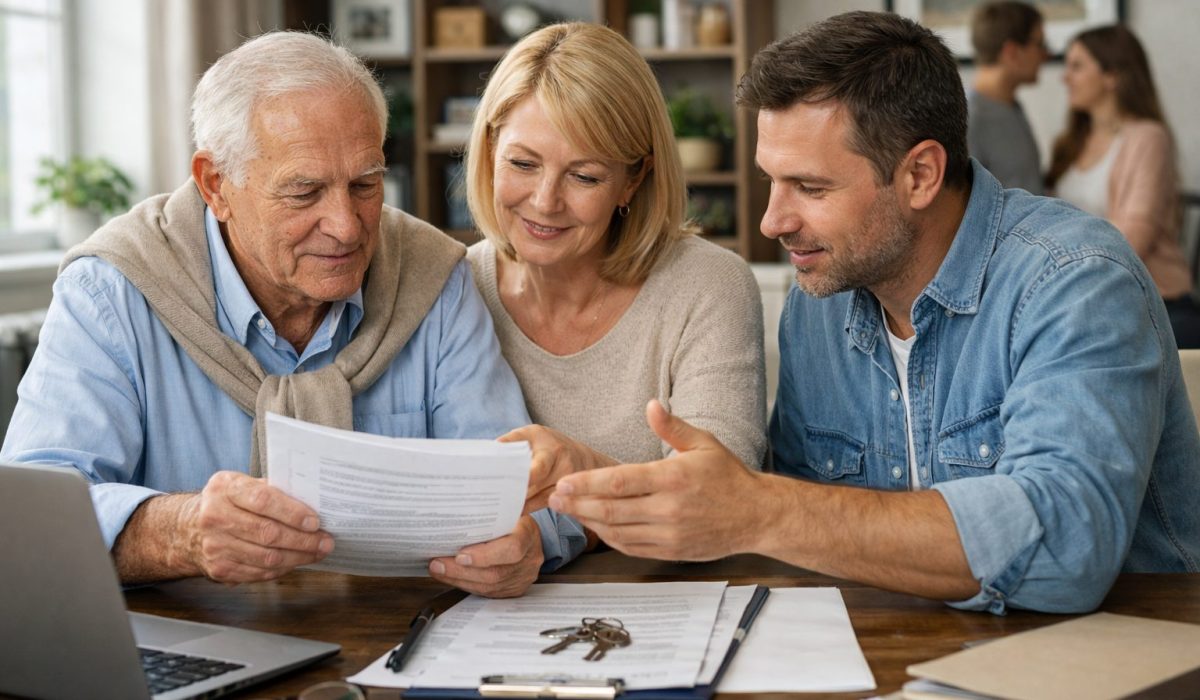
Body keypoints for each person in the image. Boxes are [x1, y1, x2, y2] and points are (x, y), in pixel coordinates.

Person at [544, 11, 1200, 615]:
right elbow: (808, 521)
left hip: (1118, 659)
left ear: (919, 175)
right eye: (772, 179)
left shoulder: (1075, 280)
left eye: (810, 186)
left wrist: (758, 509)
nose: (773, 220)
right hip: (903, 653)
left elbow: (1069, 547)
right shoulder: (819, 304)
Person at [0, 31, 567, 598]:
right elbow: (32, 514)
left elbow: (517, 488)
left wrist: (525, 543)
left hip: (400, 645)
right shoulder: (111, 291)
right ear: (216, 185)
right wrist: (181, 532)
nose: (347, 226)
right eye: (304, 193)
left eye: (366, 184)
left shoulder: (434, 276)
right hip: (190, 648)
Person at [449, 21, 765, 549]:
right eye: (523, 164)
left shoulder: (710, 286)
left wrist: (576, 473)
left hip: (675, 603)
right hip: (501, 609)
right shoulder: (456, 286)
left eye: (585, 176)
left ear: (633, 180)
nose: (545, 201)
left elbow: (716, 503)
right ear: (488, 151)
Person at [1047, 25, 1200, 348]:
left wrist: (1057, 264)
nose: (1064, 77)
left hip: (1151, 299)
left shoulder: (1148, 138)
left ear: (1111, 76)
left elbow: (1134, 238)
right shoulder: (1071, 143)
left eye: (1077, 66)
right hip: (1080, 296)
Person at [966, 1, 1048, 194]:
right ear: (1012, 52)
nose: (1045, 55)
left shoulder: (1011, 106)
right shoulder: (970, 118)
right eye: (1040, 44)